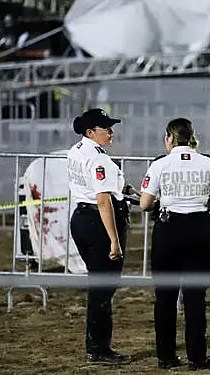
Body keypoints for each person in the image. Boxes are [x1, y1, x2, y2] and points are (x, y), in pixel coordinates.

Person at [139, 117, 210, 370]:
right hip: (199, 230)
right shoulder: (209, 164)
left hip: (169, 230)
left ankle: (166, 357)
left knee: (165, 297)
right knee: (195, 297)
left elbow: (145, 204)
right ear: (192, 137)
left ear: (170, 137)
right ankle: (197, 358)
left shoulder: (159, 165)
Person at [66, 107, 136, 366]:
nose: (111, 132)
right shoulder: (98, 159)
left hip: (83, 218)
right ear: (90, 132)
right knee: (103, 288)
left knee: (99, 286)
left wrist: (129, 191)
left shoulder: (77, 151)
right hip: (99, 222)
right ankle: (98, 349)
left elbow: (103, 189)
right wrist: (114, 241)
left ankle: (95, 346)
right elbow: (104, 200)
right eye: (106, 128)